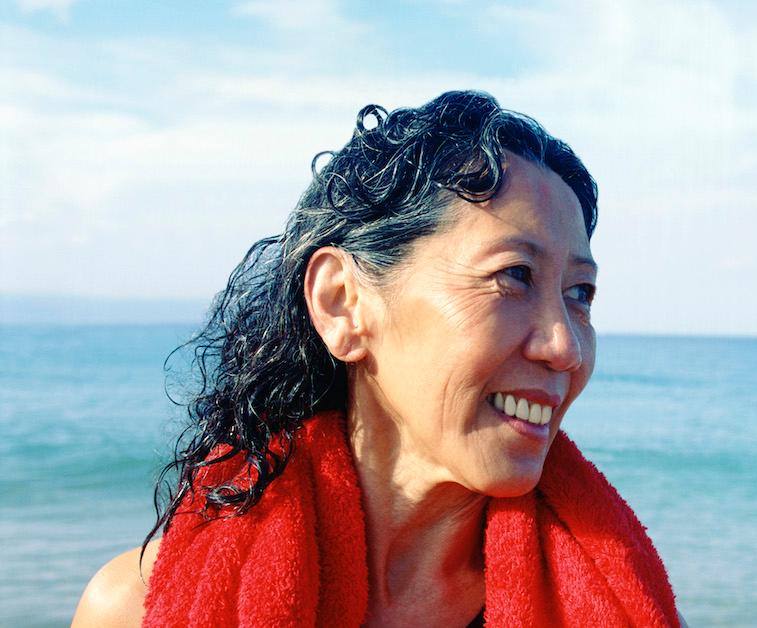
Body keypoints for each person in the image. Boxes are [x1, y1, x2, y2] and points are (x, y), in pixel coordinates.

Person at [72, 91, 683, 627]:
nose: (565, 347)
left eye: (580, 293)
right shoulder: (138, 609)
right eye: (513, 275)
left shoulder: (626, 605)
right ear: (342, 304)